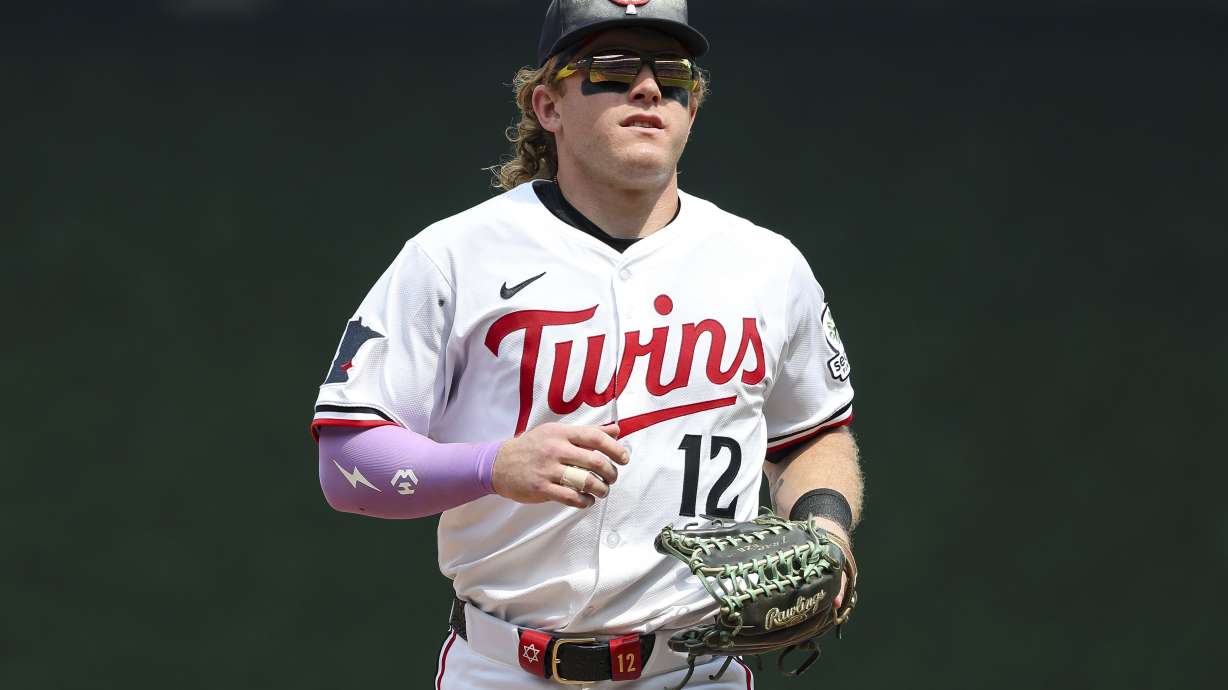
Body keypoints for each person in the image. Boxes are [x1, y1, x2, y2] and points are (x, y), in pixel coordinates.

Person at [312, 1, 864, 687]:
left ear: (693, 109)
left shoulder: (767, 265)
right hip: (504, 668)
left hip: (695, 670)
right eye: (611, 69)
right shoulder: (453, 257)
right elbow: (347, 464)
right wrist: (492, 465)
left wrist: (826, 529)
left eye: (673, 74)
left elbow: (812, 435)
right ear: (548, 106)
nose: (648, 88)